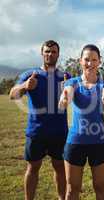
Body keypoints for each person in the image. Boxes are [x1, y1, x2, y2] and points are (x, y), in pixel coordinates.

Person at [9, 40, 69, 200]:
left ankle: (62, 198)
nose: (50, 54)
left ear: (58, 54)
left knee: (60, 167)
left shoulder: (65, 76)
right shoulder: (30, 74)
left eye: (53, 51)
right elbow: (12, 94)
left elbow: (76, 98)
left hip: (59, 132)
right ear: (42, 53)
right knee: (33, 167)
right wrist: (24, 87)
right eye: (47, 51)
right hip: (36, 132)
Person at [58, 44, 104, 200]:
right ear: (80, 61)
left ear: (99, 61)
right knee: (72, 189)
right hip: (75, 142)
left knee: (101, 187)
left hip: (99, 142)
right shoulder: (72, 82)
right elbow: (67, 95)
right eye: (87, 59)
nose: (90, 63)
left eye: (94, 60)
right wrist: (64, 99)